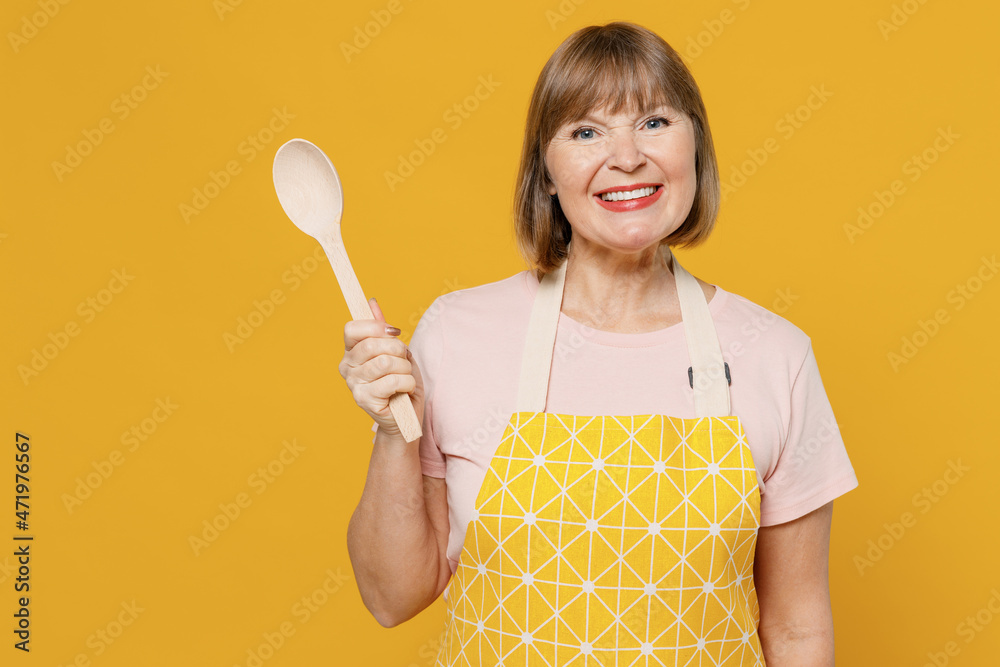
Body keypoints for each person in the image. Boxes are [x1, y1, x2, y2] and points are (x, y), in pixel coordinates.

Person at [343, 21, 858, 666]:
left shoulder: (774, 355)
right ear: (547, 175)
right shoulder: (456, 333)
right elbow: (393, 597)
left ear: (694, 147)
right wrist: (394, 432)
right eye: (586, 132)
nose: (627, 157)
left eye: (655, 122)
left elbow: (798, 628)